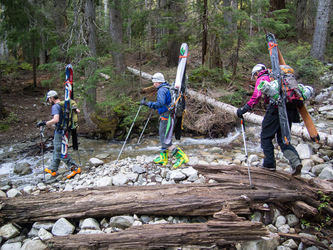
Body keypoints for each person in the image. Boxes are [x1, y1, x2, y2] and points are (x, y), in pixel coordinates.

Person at [237, 64, 302, 175]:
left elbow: (257, 95)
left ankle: (269, 164)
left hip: (275, 110)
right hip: (289, 110)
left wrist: (244, 109)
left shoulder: (263, 77)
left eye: (255, 75)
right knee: (283, 139)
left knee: (265, 137)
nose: (256, 77)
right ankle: (296, 162)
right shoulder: (277, 77)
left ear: (257, 72)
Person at [140, 72, 189, 168]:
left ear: (158, 82)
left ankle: (182, 157)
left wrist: (147, 103)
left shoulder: (162, 90)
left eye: (154, 82)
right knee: (163, 137)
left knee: (166, 140)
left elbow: (160, 103)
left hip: (167, 118)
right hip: (168, 116)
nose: (153, 84)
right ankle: (163, 158)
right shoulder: (167, 87)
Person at [37, 90, 81, 179]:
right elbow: (78, 111)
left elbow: (56, 120)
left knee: (60, 151)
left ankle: (74, 168)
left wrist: (44, 123)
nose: (49, 100)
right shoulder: (65, 105)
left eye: (49, 99)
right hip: (68, 130)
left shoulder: (56, 107)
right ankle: (52, 169)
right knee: (57, 150)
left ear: (52, 98)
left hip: (60, 131)